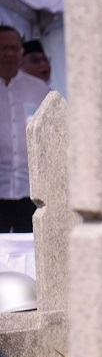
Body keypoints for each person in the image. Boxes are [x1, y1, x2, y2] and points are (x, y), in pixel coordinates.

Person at [0, 26, 50, 233]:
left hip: (31, 192)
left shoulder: (39, 89)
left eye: (14, 48)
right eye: (3, 48)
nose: (9, 54)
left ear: (21, 52)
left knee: (31, 256)